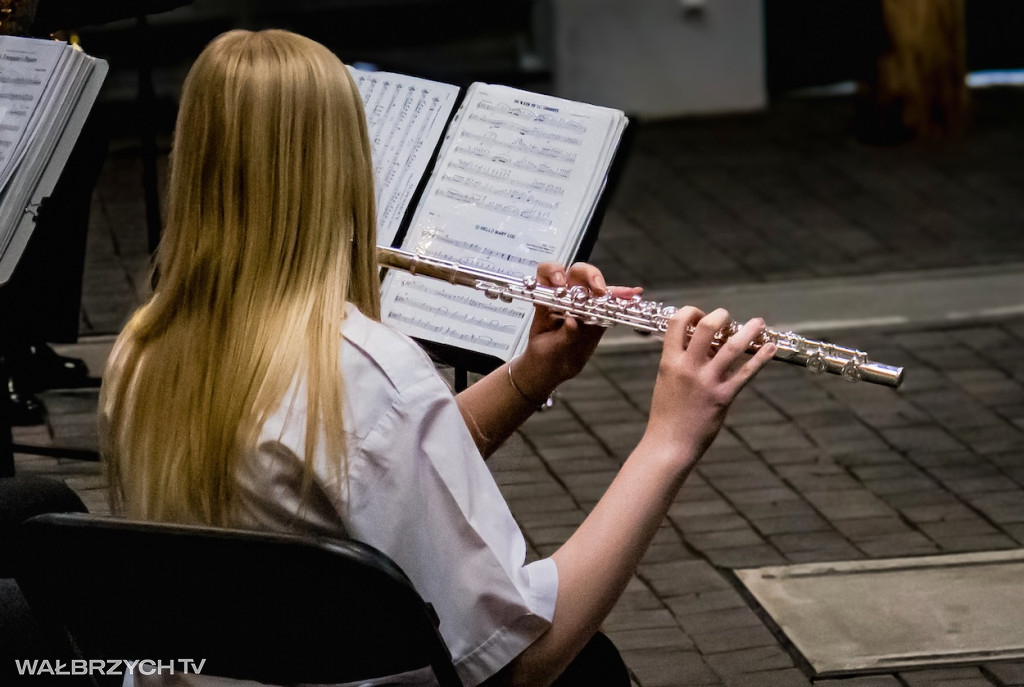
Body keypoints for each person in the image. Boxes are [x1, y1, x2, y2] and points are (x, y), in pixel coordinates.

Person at [100, 29, 776, 687]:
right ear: (343, 167)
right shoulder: (363, 370)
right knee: (588, 665)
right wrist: (670, 438)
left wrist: (533, 373)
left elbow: (368, 468)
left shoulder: (139, 352)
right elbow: (517, 663)